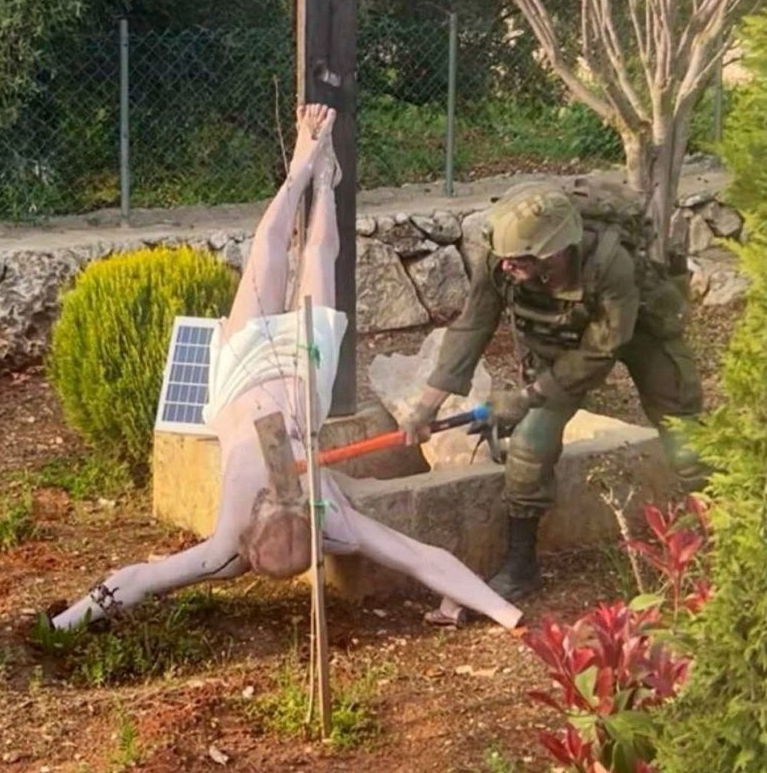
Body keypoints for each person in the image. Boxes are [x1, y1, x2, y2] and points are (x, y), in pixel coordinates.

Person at [51, 104, 522, 632]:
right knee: (313, 255)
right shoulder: (329, 526)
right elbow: (421, 558)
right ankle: (315, 178)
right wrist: (507, 615)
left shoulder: (234, 548)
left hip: (240, 379)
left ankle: (313, 175)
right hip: (299, 379)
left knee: (275, 255)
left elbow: (137, 578)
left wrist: (65, 624)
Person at [405, 180, 705, 605]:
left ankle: (718, 536)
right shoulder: (501, 260)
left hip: (636, 331)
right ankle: (521, 566)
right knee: (530, 442)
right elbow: (472, 326)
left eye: (519, 260)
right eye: (505, 258)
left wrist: (526, 396)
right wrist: (425, 406)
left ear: (554, 252)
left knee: (682, 429)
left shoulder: (610, 264)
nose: (507, 267)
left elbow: (603, 349)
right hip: (564, 343)